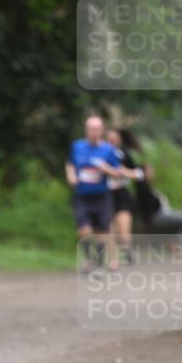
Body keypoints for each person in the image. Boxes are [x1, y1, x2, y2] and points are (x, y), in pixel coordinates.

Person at [65, 116, 125, 271]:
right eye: (91, 129)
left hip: (101, 196)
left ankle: (100, 261)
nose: (94, 132)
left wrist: (107, 169)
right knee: (83, 231)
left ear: (102, 131)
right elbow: (70, 164)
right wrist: (71, 176)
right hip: (81, 195)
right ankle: (90, 259)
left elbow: (118, 174)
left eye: (97, 129)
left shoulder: (108, 150)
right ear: (86, 130)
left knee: (102, 232)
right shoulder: (77, 146)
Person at [105, 127, 147, 264]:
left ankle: (127, 250)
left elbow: (139, 174)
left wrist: (124, 172)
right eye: (109, 138)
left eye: (114, 138)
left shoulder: (124, 154)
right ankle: (113, 259)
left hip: (121, 194)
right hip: (104, 195)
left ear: (119, 139)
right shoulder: (100, 152)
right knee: (110, 229)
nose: (112, 140)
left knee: (123, 232)